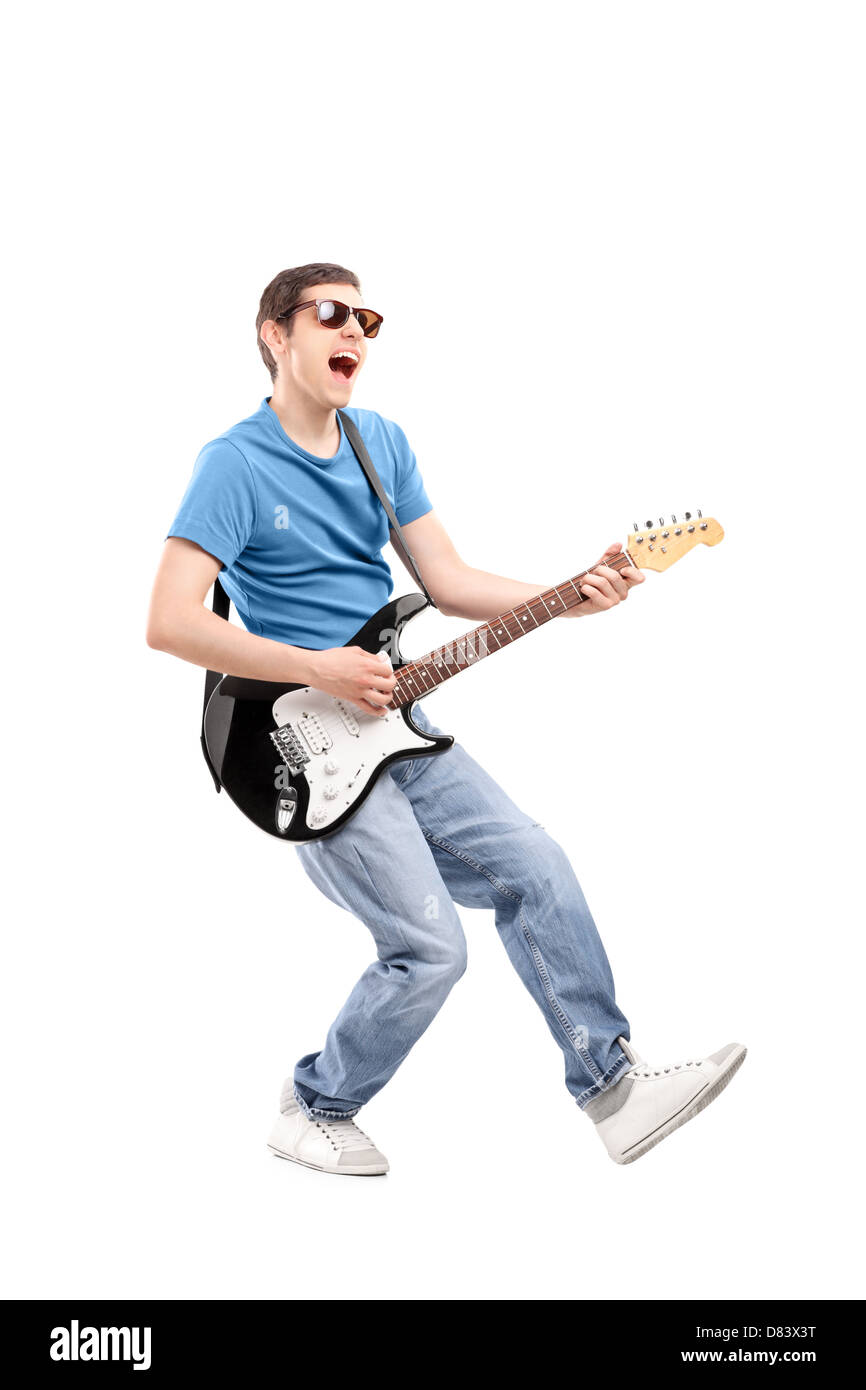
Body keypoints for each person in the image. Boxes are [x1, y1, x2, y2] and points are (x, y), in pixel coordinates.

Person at [146, 261, 746, 1175]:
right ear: (275, 334)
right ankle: (314, 1102)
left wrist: (568, 597)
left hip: (397, 723)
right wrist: (321, 667)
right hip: (305, 745)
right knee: (428, 947)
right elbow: (170, 621)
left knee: (537, 867)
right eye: (331, 315)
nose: (355, 333)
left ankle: (613, 1091)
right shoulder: (233, 462)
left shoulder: (378, 442)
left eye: (368, 320)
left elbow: (448, 581)